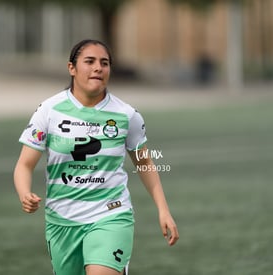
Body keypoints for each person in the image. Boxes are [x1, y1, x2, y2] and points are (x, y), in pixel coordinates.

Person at [13, 39, 179, 275]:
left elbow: (144, 162)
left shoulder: (126, 115)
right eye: (89, 62)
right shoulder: (49, 110)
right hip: (62, 220)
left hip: (111, 213)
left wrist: (163, 209)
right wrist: (24, 193)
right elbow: (24, 165)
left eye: (104, 63)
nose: (98, 68)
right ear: (72, 68)